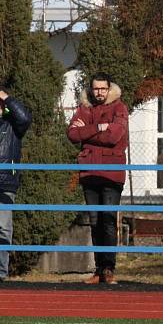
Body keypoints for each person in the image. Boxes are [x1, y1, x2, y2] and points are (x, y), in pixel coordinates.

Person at [67, 73, 129, 285]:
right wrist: (99, 127)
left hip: (112, 173)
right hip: (89, 171)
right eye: (96, 89)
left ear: (109, 88)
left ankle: (109, 268)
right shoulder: (84, 108)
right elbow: (73, 134)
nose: (99, 92)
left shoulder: (120, 108)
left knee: (108, 221)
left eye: (103, 88)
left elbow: (114, 136)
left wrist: (87, 132)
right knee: (95, 222)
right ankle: (99, 269)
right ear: (91, 89)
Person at [0, 84, 32, 282]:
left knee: (3, 227)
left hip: (4, 181)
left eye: (0, 100)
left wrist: (7, 97)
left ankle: (0, 272)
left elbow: (25, 117)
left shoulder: (13, 122)